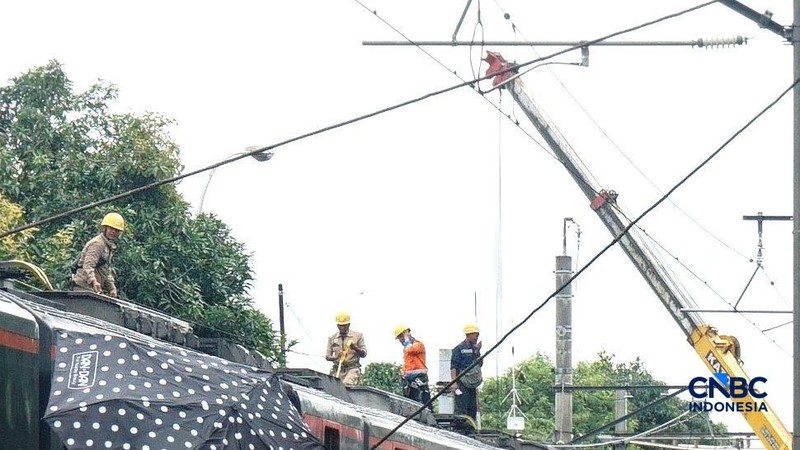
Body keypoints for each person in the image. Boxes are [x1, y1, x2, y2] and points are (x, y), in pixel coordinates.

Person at [71, 212, 125, 298]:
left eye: (117, 230)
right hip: (83, 289)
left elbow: (105, 271)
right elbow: (88, 266)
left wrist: (112, 287)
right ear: (105, 228)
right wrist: (94, 281)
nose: (114, 232)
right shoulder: (98, 244)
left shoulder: (108, 246)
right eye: (111, 229)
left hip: (92, 290)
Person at [450, 322, 483, 420]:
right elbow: (453, 366)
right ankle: (461, 428)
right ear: (468, 335)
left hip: (472, 384)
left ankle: (470, 429)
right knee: (462, 406)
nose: (476, 338)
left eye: (477, 336)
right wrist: (454, 382)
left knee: (472, 407)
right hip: (462, 383)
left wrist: (477, 352)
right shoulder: (459, 349)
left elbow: (479, 365)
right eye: (475, 335)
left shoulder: (475, 349)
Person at [394, 325, 431, 409]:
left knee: (422, 401)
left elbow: (411, 349)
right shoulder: (406, 348)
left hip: (419, 378)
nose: (400, 340)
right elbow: (408, 363)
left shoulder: (418, 345)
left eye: (401, 336)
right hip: (409, 380)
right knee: (410, 403)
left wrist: (407, 338)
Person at [325, 312, 367, 386]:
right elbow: (328, 356)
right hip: (337, 369)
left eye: (344, 325)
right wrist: (336, 357)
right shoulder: (332, 338)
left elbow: (364, 354)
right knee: (334, 389)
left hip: (352, 369)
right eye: (340, 326)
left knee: (347, 385)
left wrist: (355, 348)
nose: (342, 328)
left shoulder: (358, 336)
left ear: (348, 325)